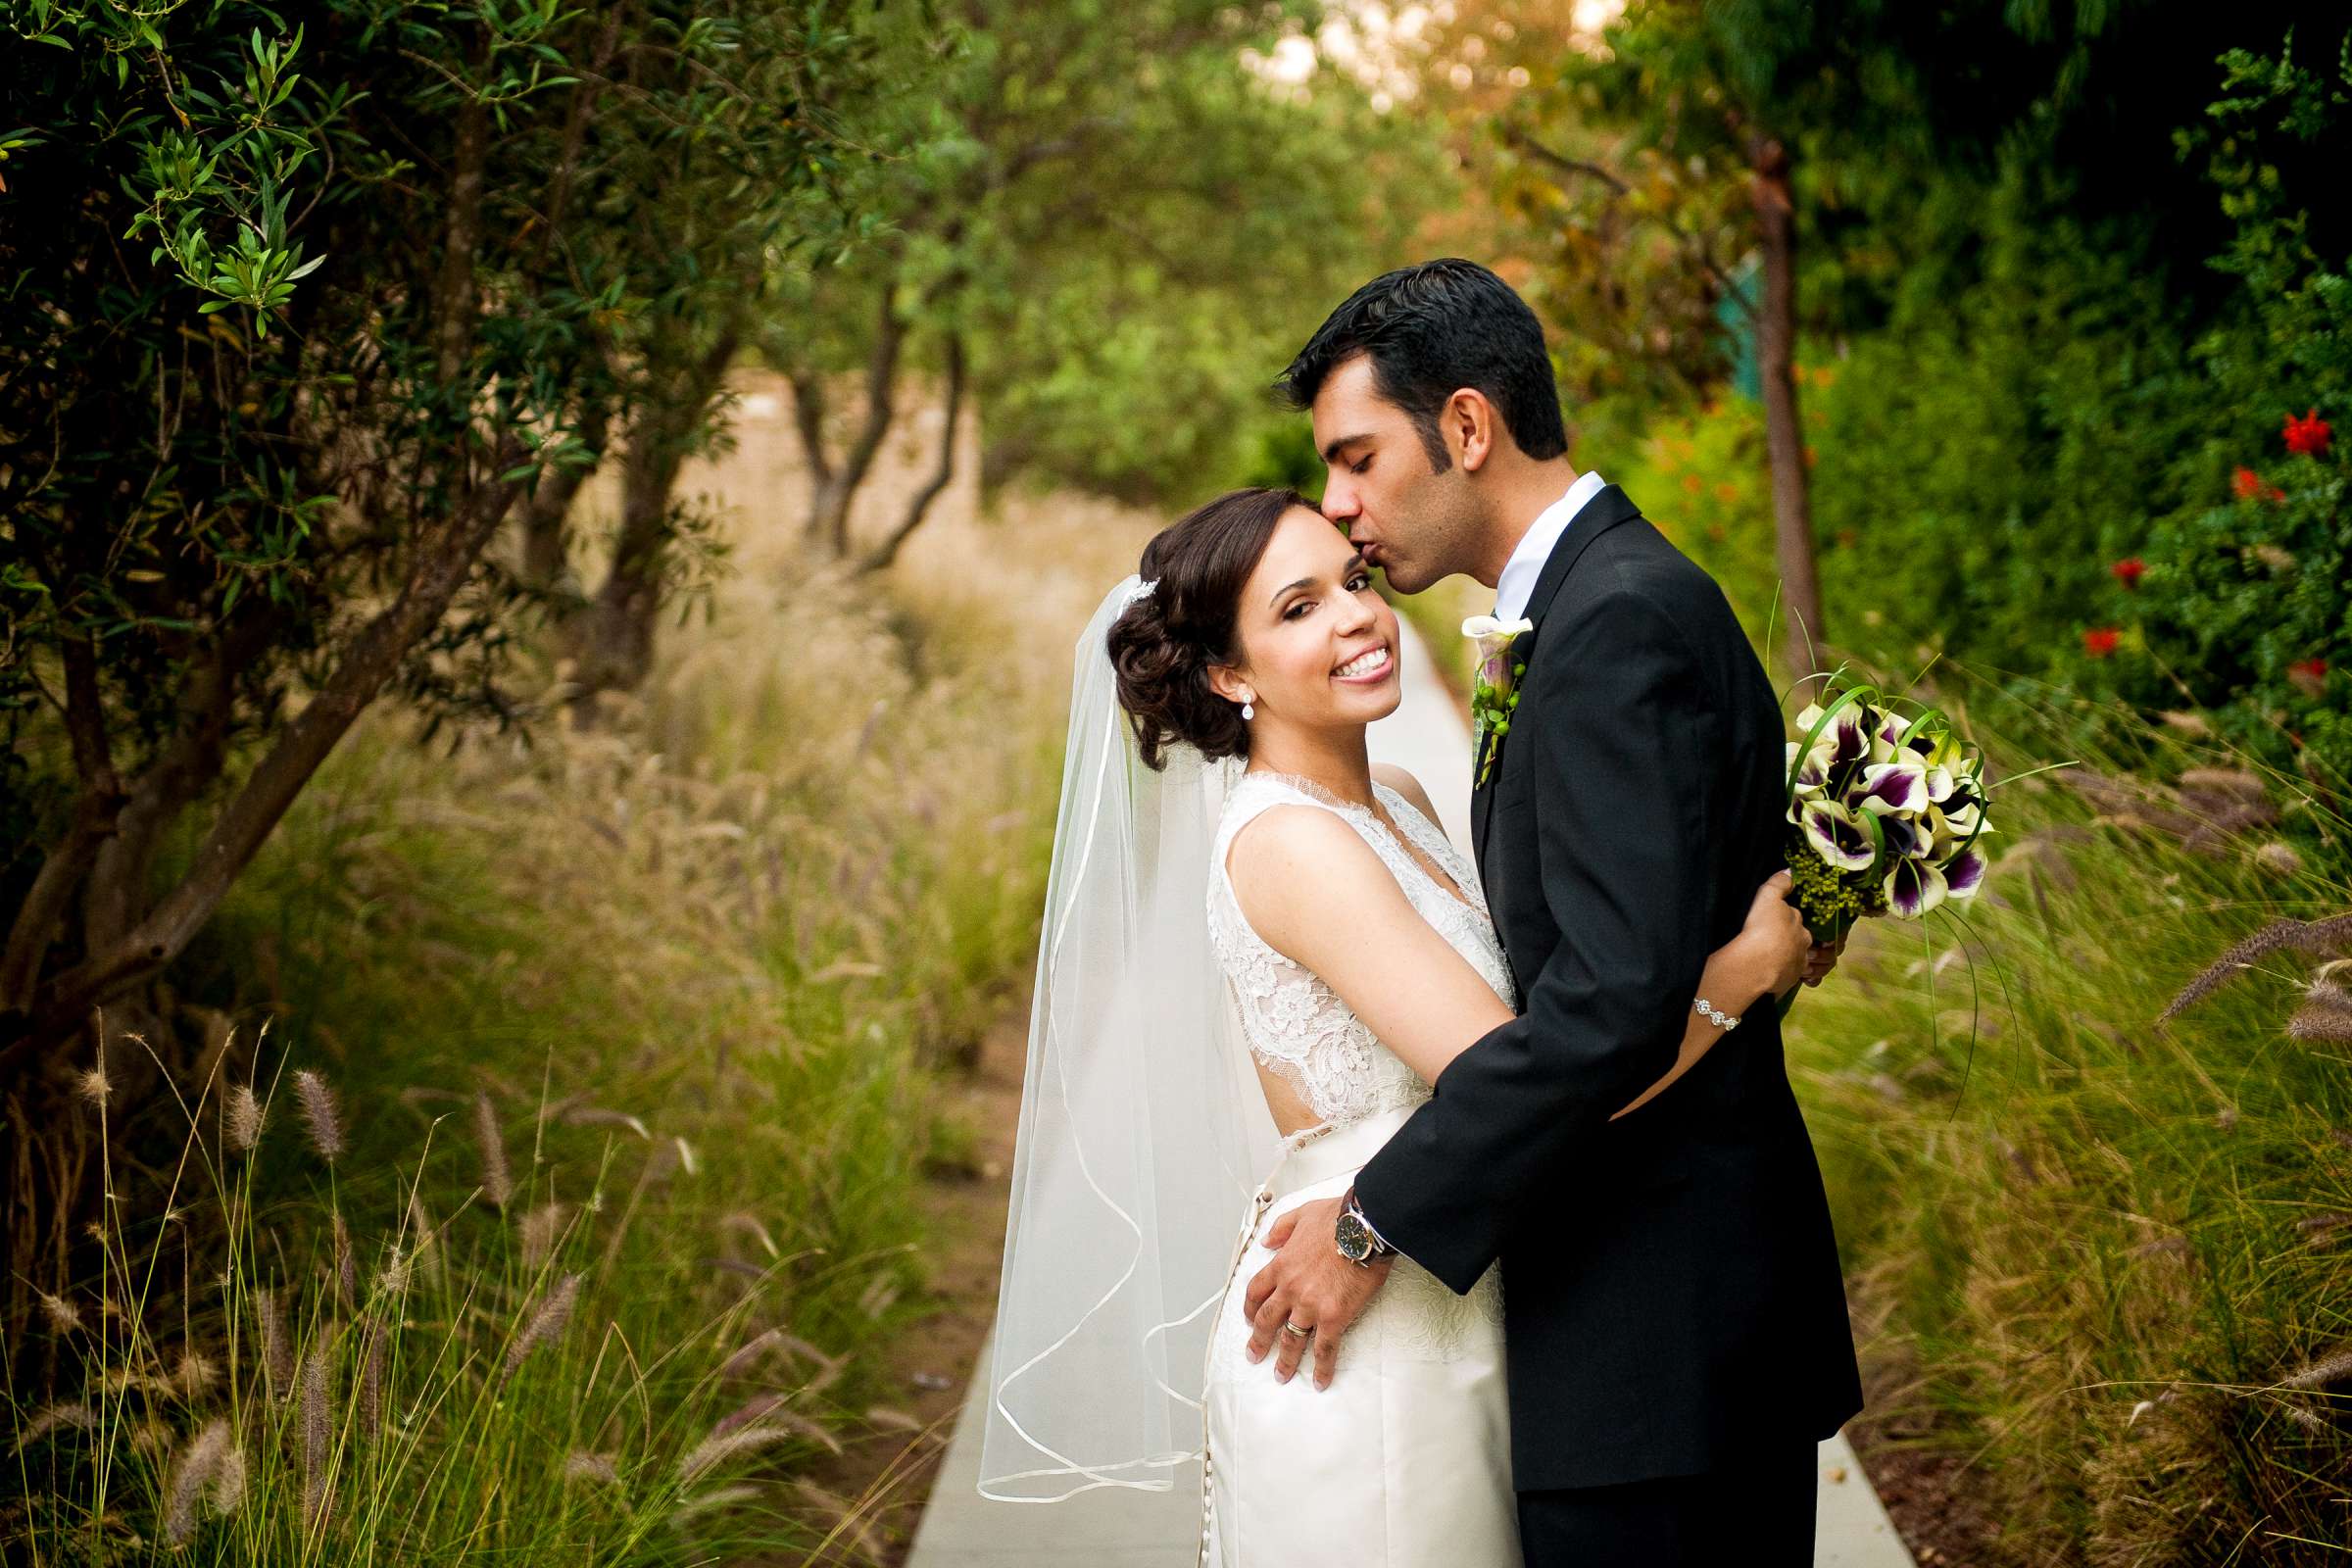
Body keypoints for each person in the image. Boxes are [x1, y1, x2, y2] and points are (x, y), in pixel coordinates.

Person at [1232, 259, 1864, 1566]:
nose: (1341, 510)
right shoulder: (1588, 609)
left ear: (1466, 428)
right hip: (1647, 1340)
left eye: (1356, 459)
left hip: (1661, 1349)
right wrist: (1749, 963)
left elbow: (1609, 1005)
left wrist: (1371, 1222)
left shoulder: (1615, 624)